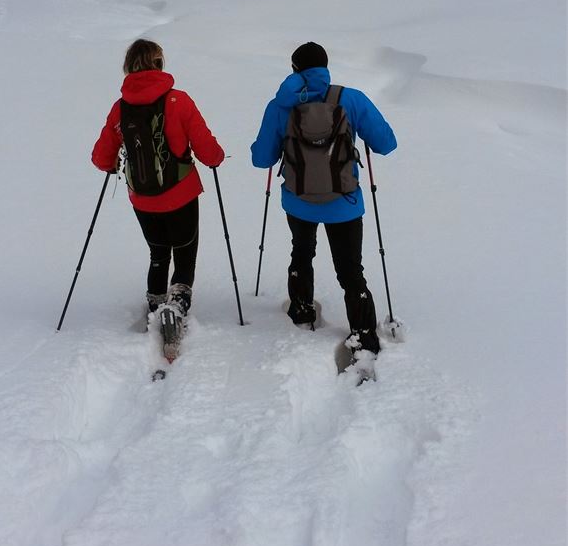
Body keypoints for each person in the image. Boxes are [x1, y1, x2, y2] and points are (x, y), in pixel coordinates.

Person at [251, 42, 397, 382]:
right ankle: (364, 334)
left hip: (298, 200)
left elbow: (262, 159)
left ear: (294, 70)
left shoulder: (280, 105)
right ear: (326, 68)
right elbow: (387, 144)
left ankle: (302, 311)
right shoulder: (351, 99)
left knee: (301, 252)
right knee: (351, 270)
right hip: (344, 203)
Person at [92, 39, 224, 330]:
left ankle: (156, 302)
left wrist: (112, 164)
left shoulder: (120, 108)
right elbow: (206, 150)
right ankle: (177, 304)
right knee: (185, 250)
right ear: (159, 63)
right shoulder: (179, 101)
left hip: (142, 198)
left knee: (158, 252)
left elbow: (101, 157)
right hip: (181, 194)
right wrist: (217, 157)